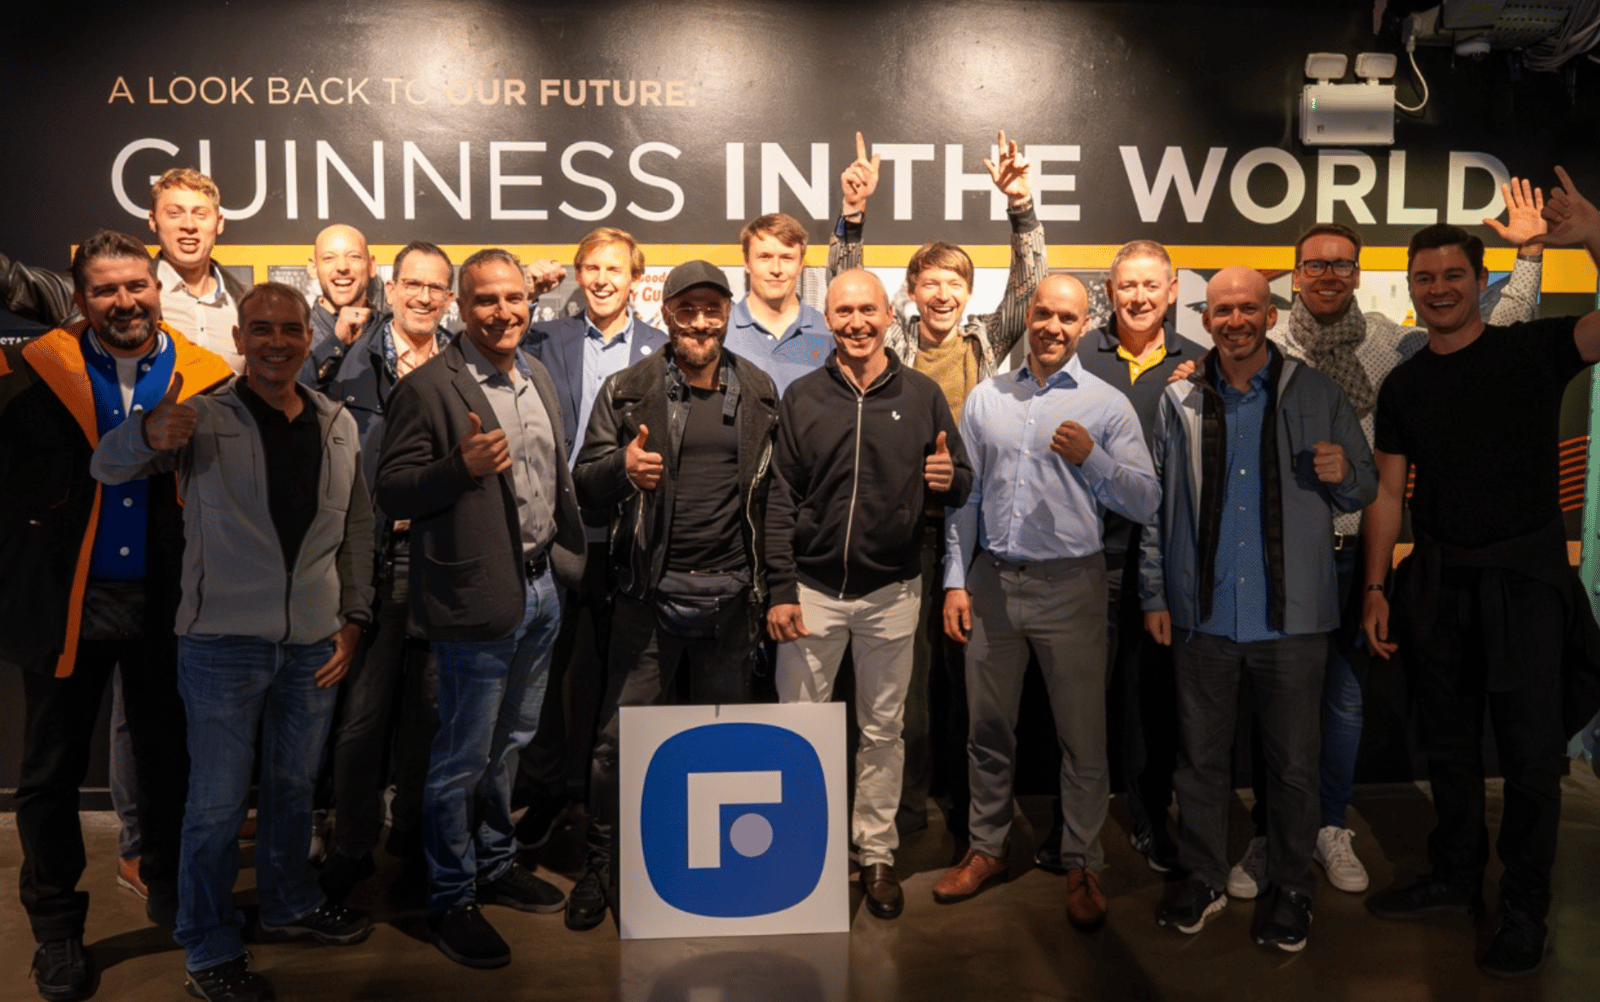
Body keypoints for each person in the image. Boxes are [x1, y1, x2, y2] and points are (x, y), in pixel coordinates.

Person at [1223, 181, 1549, 900]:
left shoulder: (1390, 343)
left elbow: (1493, 334)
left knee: (1344, 701)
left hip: (1355, 554)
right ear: (1295, 274)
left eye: (1341, 263)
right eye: (1315, 264)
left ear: (1358, 272)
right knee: (1278, 706)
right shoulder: (1263, 345)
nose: (1328, 274)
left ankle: (1327, 823)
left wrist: (1528, 256)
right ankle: (1274, 831)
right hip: (1281, 556)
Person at [92, 281, 375, 1002]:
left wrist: (353, 617)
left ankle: (289, 900)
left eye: (290, 329)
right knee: (216, 806)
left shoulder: (338, 423)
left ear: (307, 339)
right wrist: (145, 433)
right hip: (220, 645)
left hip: (313, 646)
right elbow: (106, 466)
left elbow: (357, 529)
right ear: (240, 340)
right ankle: (208, 943)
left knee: (292, 790)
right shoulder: (200, 417)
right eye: (261, 329)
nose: (277, 341)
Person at [1362, 169, 1600, 978]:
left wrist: (1593, 237)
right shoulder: (1403, 383)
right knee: (1450, 748)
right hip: (1438, 584)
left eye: (1453, 276)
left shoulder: (1533, 349)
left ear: (1479, 279)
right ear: (1412, 287)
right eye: (1425, 278)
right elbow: (1387, 493)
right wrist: (1376, 587)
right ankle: (1456, 878)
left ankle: (1525, 910)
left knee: (1532, 758)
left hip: (1526, 584)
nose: (1438, 289)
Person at [2, 231, 232, 1002]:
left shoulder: (207, 376)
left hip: (169, 606)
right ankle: (56, 927)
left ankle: (167, 884)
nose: (125, 302)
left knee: (170, 760)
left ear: (157, 288)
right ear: (79, 299)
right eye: (105, 290)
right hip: (65, 607)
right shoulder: (35, 375)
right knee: (50, 774)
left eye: (136, 286)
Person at [1142, 266, 1375, 953]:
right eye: (1222, 310)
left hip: (1292, 620)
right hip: (1203, 618)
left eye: (1248, 308)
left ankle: (1292, 889)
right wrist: (1155, 592)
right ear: (1206, 319)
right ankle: (1204, 879)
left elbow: (1364, 487)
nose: (1235, 320)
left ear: (1271, 315)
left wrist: (1344, 473)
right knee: (1199, 762)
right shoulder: (1179, 396)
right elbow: (1155, 507)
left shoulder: (1318, 392)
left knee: (1295, 766)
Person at [829, 129, 1047, 840]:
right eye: (931, 282)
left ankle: (969, 805)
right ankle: (907, 805)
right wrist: (852, 220)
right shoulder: (890, 344)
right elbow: (844, 292)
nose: (944, 292)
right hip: (906, 533)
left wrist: (1021, 208)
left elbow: (1030, 286)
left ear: (967, 293)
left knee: (972, 678)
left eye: (955, 282)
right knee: (909, 684)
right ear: (913, 292)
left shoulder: (987, 340)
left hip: (977, 533)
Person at [375, 248, 585, 969]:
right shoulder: (428, 388)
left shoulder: (536, 374)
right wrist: (457, 469)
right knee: (461, 757)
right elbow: (390, 491)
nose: (503, 312)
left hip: (541, 588)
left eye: (514, 298)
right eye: (487, 300)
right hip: (474, 599)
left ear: (530, 302)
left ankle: (494, 863)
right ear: (461, 308)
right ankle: (450, 895)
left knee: (512, 743)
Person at [936, 274, 1159, 930]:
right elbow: (968, 498)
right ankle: (986, 848)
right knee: (987, 729)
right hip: (994, 584)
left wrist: (1094, 461)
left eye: (1067, 317)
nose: (1053, 327)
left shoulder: (1107, 405)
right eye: (1043, 314)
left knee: (1083, 736)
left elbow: (1146, 499)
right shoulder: (987, 399)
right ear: (1027, 317)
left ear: (1085, 325)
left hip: (1073, 587)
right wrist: (955, 578)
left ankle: (1083, 860)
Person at [564, 259, 780, 931]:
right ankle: (601, 866)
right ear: (667, 314)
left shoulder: (761, 389)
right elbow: (584, 482)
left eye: (713, 309)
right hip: (646, 596)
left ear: (728, 314)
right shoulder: (628, 390)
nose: (701, 322)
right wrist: (621, 468)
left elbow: (775, 500)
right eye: (687, 309)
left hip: (733, 600)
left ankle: (715, 868)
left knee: (722, 746)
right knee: (615, 745)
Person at [767, 268, 972, 920]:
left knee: (884, 731)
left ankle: (876, 853)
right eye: (843, 311)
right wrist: (780, 587)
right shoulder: (801, 395)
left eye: (867, 310)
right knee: (802, 729)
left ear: (889, 315)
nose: (856, 322)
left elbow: (963, 479)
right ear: (827, 319)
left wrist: (950, 477)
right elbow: (779, 498)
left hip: (892, 591)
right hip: (811, 592)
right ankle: (805, 850)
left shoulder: (923, 394)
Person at [516, 227, 668, 849]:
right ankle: (549, 791)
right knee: (548, 672)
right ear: (578, 275)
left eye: (615, 269)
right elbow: (482, 337)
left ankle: (618, 796)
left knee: (624, 672)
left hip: (631, 533)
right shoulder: (544, 336)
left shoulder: (662, 348)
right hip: (558, 530)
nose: (603, 280)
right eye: (592, 268)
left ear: (636, 279)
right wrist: (526, 290)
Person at [318, 241, 458, 901]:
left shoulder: (462, 366)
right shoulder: (351, 364)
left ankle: (410, 837)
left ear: (449, 297)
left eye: (436, 287)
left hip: (442, 562)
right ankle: (351, 843)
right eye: (413, 285)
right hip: (373, 561)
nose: (424, 297)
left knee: (431, 714)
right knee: (361, 719)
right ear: (391, 289)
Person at [1072, 238, 1206, 875]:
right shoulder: (1076, 355)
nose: (1139, 297)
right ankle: (1077, 824)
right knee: (1083, 701)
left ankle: (1151, 815)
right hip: (1088, 559)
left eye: (1152, 285)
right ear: (1109, 291)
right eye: (1127, 285)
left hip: (1163, 562)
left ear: (1173, 291)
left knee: (1155, 701)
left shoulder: (1200, 363)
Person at [1, 168, 248, 372]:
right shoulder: (99, 291)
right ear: (153, 221)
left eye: (201, 214)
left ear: (219, 223)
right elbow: (12, 282)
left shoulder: (247, 303)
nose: (189, 225)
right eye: (174, 213)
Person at [722, 212, 833, 394]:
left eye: (786, 258)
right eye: (764, 257)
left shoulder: (826, 331)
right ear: (747, 263)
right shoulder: (722, 329)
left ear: (800, 264)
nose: (776, 269)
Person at [299, 224, 385, 389]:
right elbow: (283, 394)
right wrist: (335, 343)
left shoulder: (392, 332)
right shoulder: (293, 334)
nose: (342, 267)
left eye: (354, 256)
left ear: (371, 266)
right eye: (329, 258)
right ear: (313, 268)